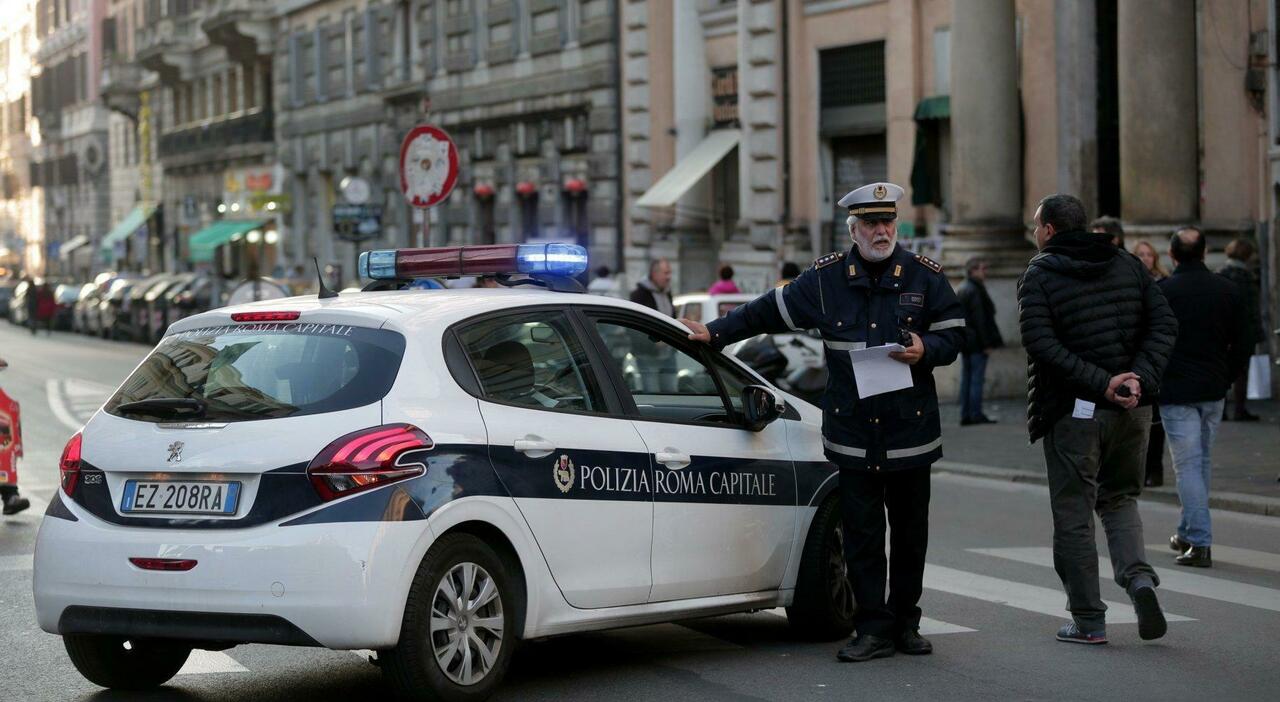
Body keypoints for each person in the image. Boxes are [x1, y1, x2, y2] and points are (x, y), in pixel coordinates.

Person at [683, 181, 966, 663]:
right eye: (872, 224)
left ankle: (906, 623)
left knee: (911, 532)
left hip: (909, 430)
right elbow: (767, 311)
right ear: (853, 230)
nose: (882, 231)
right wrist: (716, 332)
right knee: (861, 534)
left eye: (888, 222)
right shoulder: (825, 279)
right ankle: (873, 627)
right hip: (854, 430)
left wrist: (927, 351)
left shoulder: (925, 276)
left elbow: (955, 332)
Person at [1017, 194, 1177, 645]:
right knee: (1121, 498)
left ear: (1048, 229)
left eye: (1035, 226)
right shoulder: (1127, 263)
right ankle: (1139, 580)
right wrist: (1136, 380)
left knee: (1074, 513)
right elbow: (1164, 325)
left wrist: (1101, 383)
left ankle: (1088, 619)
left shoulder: (1040, 272)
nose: (1035, 233)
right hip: (1133, 408)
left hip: (1074, 412)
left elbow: (1040, 343)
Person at [1158, 227, 1252, 568]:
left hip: (1177, 390)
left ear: (1171, 255)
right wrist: (1226, 376)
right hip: (1213, 389)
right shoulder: (1227, 290)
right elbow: (1245, 340)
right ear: (1204, 253)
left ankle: (1199, 541)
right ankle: (1186, 531)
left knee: (1187, 467)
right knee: (1201, 463)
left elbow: (1150, 342)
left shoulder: (1164, 292)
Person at [1130, 238, 1169, 486]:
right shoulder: (1128, 285)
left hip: (1155, 360)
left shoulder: (1163, 285)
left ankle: (1154, 468)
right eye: (1140, 254)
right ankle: (1139, 468)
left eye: (1149, 254)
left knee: (1154, 420)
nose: (1145, 258)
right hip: (1134, 358)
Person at [1217, 238, 1263, 422]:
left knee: (1221, 371)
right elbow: (1253, 310)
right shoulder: (1248, 279)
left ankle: (1222, 410)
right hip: (1243, 332)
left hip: (1222, 331)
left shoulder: (1220, 275)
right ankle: (1240, 409)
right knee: (1241, 372)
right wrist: (1258, 334)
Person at [955, 257, 1003, 425]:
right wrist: (987, 343)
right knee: (976, 379)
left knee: (967, 378)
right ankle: (974, 414)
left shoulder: (964, 287)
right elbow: (980, 320)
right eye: (983, 269)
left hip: (966, 341)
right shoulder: (974, 289)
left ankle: (966, 414)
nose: (985, 272)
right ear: (973, 270)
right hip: (976, 342)